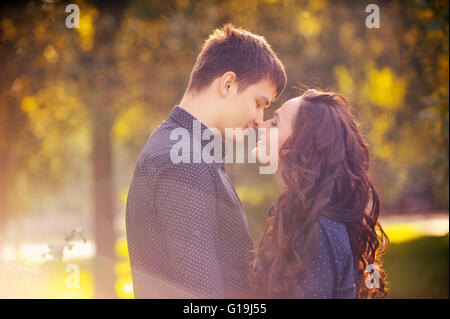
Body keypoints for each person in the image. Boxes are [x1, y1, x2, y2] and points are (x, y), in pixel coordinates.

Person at [126, 23, 287, 298]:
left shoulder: (188, 149)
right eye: (259, 103)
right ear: (228, 84)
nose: (260, 120)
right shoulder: (183, 161)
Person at [248, 89, 389, 298]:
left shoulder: (314, 232)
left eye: (275, 123)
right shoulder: (305, 221)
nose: (261, 124)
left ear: (302, 149)